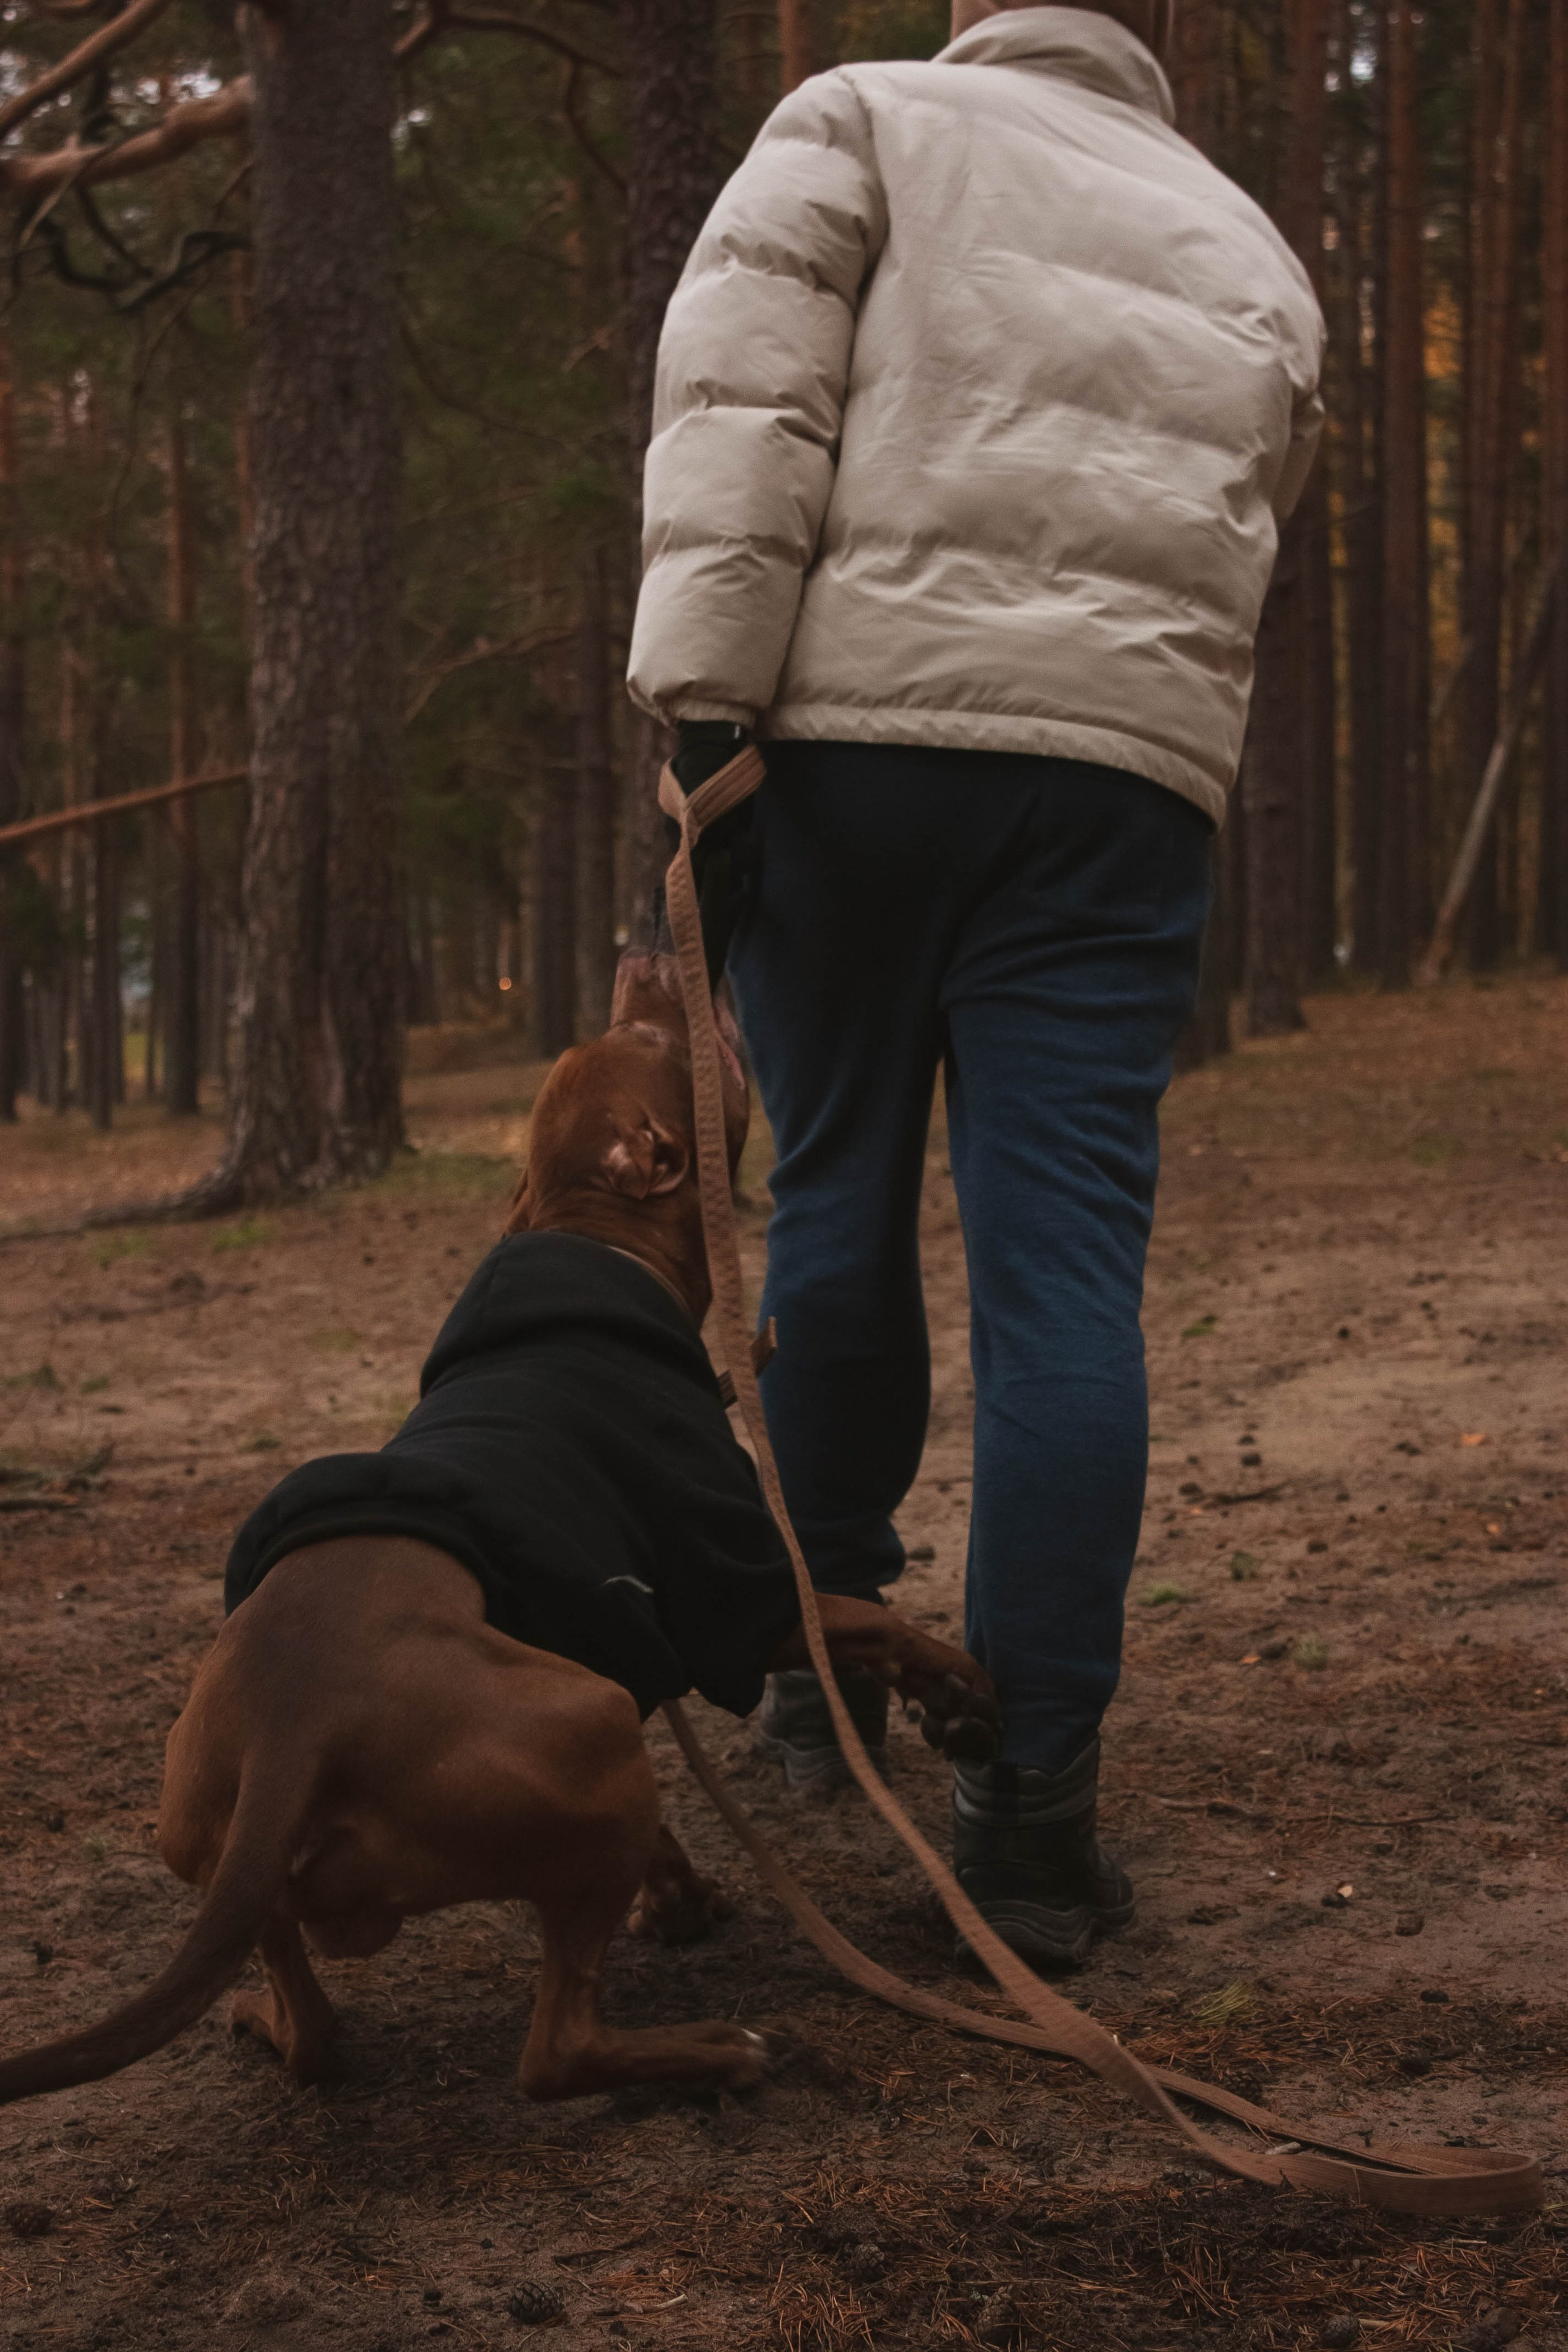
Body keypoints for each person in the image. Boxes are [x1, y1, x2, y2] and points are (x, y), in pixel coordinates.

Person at [627, 1, 1324, 1970]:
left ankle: (820, 1673)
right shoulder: (1248, 235)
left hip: (857, 751)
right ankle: (1032, 1809)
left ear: (982, 16)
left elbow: (743, 409)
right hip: (1120, 799)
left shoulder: (862, 114)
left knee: (834, 1195)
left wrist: (703, 717)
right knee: (1063, 1281)